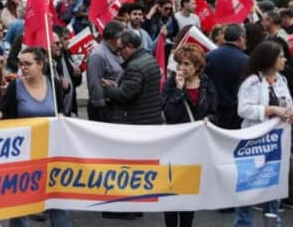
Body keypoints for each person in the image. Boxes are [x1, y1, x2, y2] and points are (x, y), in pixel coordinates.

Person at [1, 47, 71, 227]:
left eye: (28, 64)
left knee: (57, 199)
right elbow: (7, 119)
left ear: (40, 64)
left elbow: (61, 111)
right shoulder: (14, 87)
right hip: (23, 153)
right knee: (20, 201)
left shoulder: (54, 84)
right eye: (21, 64)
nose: (23, 68)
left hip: (51, 151)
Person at [234, 41, 293, 227]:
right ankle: (243, 223)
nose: (284, 59)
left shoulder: (281, 80)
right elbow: (243, 109)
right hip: (253, 144)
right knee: (248, 188)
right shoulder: (252, 81)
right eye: (280, 56)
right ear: (269, 59)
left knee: (273, 186)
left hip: (275, 144)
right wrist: (271, 109)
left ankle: (273, 221)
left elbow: (289, 104)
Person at [160, 44, 218, 227]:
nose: (181, 68)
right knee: (170, 192)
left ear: (197, 67)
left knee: (188, 193)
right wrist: (178, 90)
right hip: (173, 146)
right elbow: (169, 114)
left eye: (186, 64)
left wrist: (209, 119)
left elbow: (215, 111)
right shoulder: (171, 83)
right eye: (179, 64)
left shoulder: (207, 83)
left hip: (195, 147)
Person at [103, 30, 163, 125]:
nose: (119, 53)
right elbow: (137, 88)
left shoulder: (134, 66)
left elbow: (124, 95)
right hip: (151, 117)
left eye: (120, 49)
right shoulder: (150, 58)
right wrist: (116, 85)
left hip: (137, 120)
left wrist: (107, 88)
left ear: (130, 46)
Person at [205, 24, 249, 129]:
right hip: (235, 114)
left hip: (211, 112)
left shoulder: (208, 56)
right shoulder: (247, 61)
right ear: (241, 38)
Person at [85, 21, 124, 122]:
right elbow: (94, 83)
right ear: (116, 38)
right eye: (123, 36)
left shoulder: (116, 52)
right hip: (103, 109)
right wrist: (101, 108)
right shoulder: (98, 55)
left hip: (115, 104)